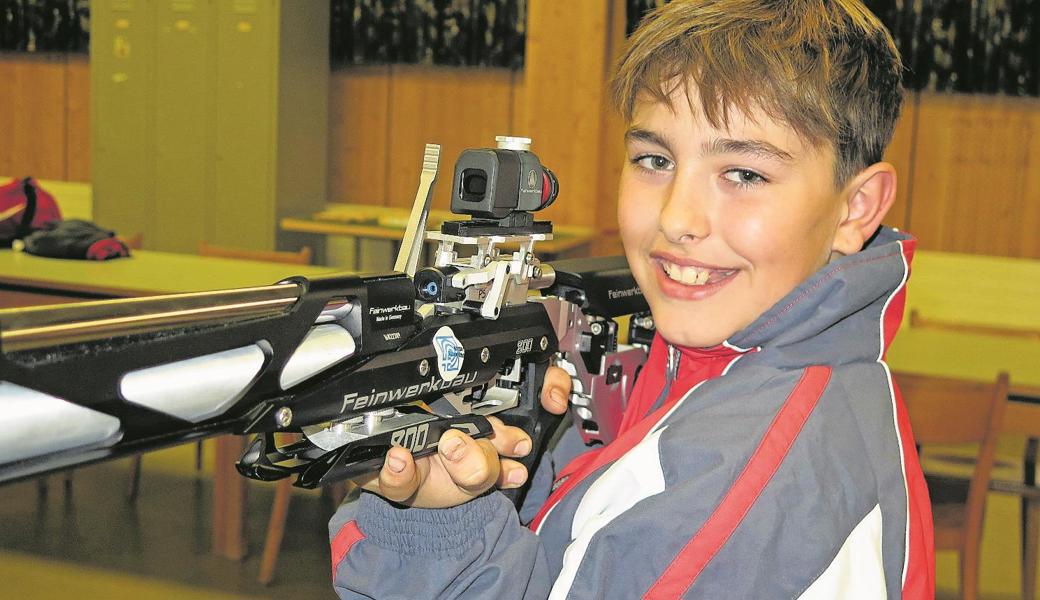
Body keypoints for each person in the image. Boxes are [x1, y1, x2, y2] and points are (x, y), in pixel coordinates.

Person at [329, 0, 934, 597]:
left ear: (856, 208)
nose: (677, 219)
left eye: (744, 174)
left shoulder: (746, 484)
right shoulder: (711, 363)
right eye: (654, 160)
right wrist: (532, 454)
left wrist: (441, 527)